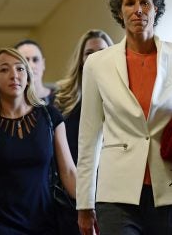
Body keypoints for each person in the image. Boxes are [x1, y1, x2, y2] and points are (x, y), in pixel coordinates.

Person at [76, 0, 172, 235]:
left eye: (145, 2)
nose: (138, 10)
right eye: (130, 3)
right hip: (116, 194)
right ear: (120, 11)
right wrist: (84, 203)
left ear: (155, 7)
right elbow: (89, 137)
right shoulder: (97, 64)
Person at [0, 48, 76, 234]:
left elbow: (69, 172)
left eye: (20, 69)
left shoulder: (50, 117)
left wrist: (91, 209)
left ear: (28, 77)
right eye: (4, 69)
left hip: (45, 222)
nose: (14, 75)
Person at [53, 29, 113, 234]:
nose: (96, 57)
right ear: (81, 59)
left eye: (102, 51)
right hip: (70, 192)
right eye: (89, 52)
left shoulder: (121, 96)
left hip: (110, 189)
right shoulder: (60, 99)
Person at [15, 39, 55, 104]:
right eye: (25, 60)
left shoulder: (62, 99)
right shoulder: (9, 102)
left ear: (43, 64)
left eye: (35, 60)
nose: (31, 65)